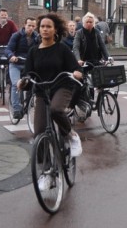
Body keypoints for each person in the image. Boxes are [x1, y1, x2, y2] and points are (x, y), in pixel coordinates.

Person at [19, 13, 83, 164]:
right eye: (42, 26)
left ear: (55, 30)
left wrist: (77, 73)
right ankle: (46, 170)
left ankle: (72, 136)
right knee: (39, 132)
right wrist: (23, 81)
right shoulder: (33, 51)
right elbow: (27, 73)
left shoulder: (62, 49)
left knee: (55, 110)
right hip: (42, 91)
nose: (45, 29)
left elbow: (76, 68)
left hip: (61, 87)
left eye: (48, 26)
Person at [6, 17, 39, 118]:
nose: (31, 28)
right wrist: (11, 56)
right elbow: (8, 49)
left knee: (33, 85)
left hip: (29, 65)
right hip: (16, 64)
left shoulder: (37, 37)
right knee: (16, 84)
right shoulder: (17, 35)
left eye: (33, 26)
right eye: (29, 25)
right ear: (25, 25)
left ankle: (28, 104)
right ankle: (16, 109)